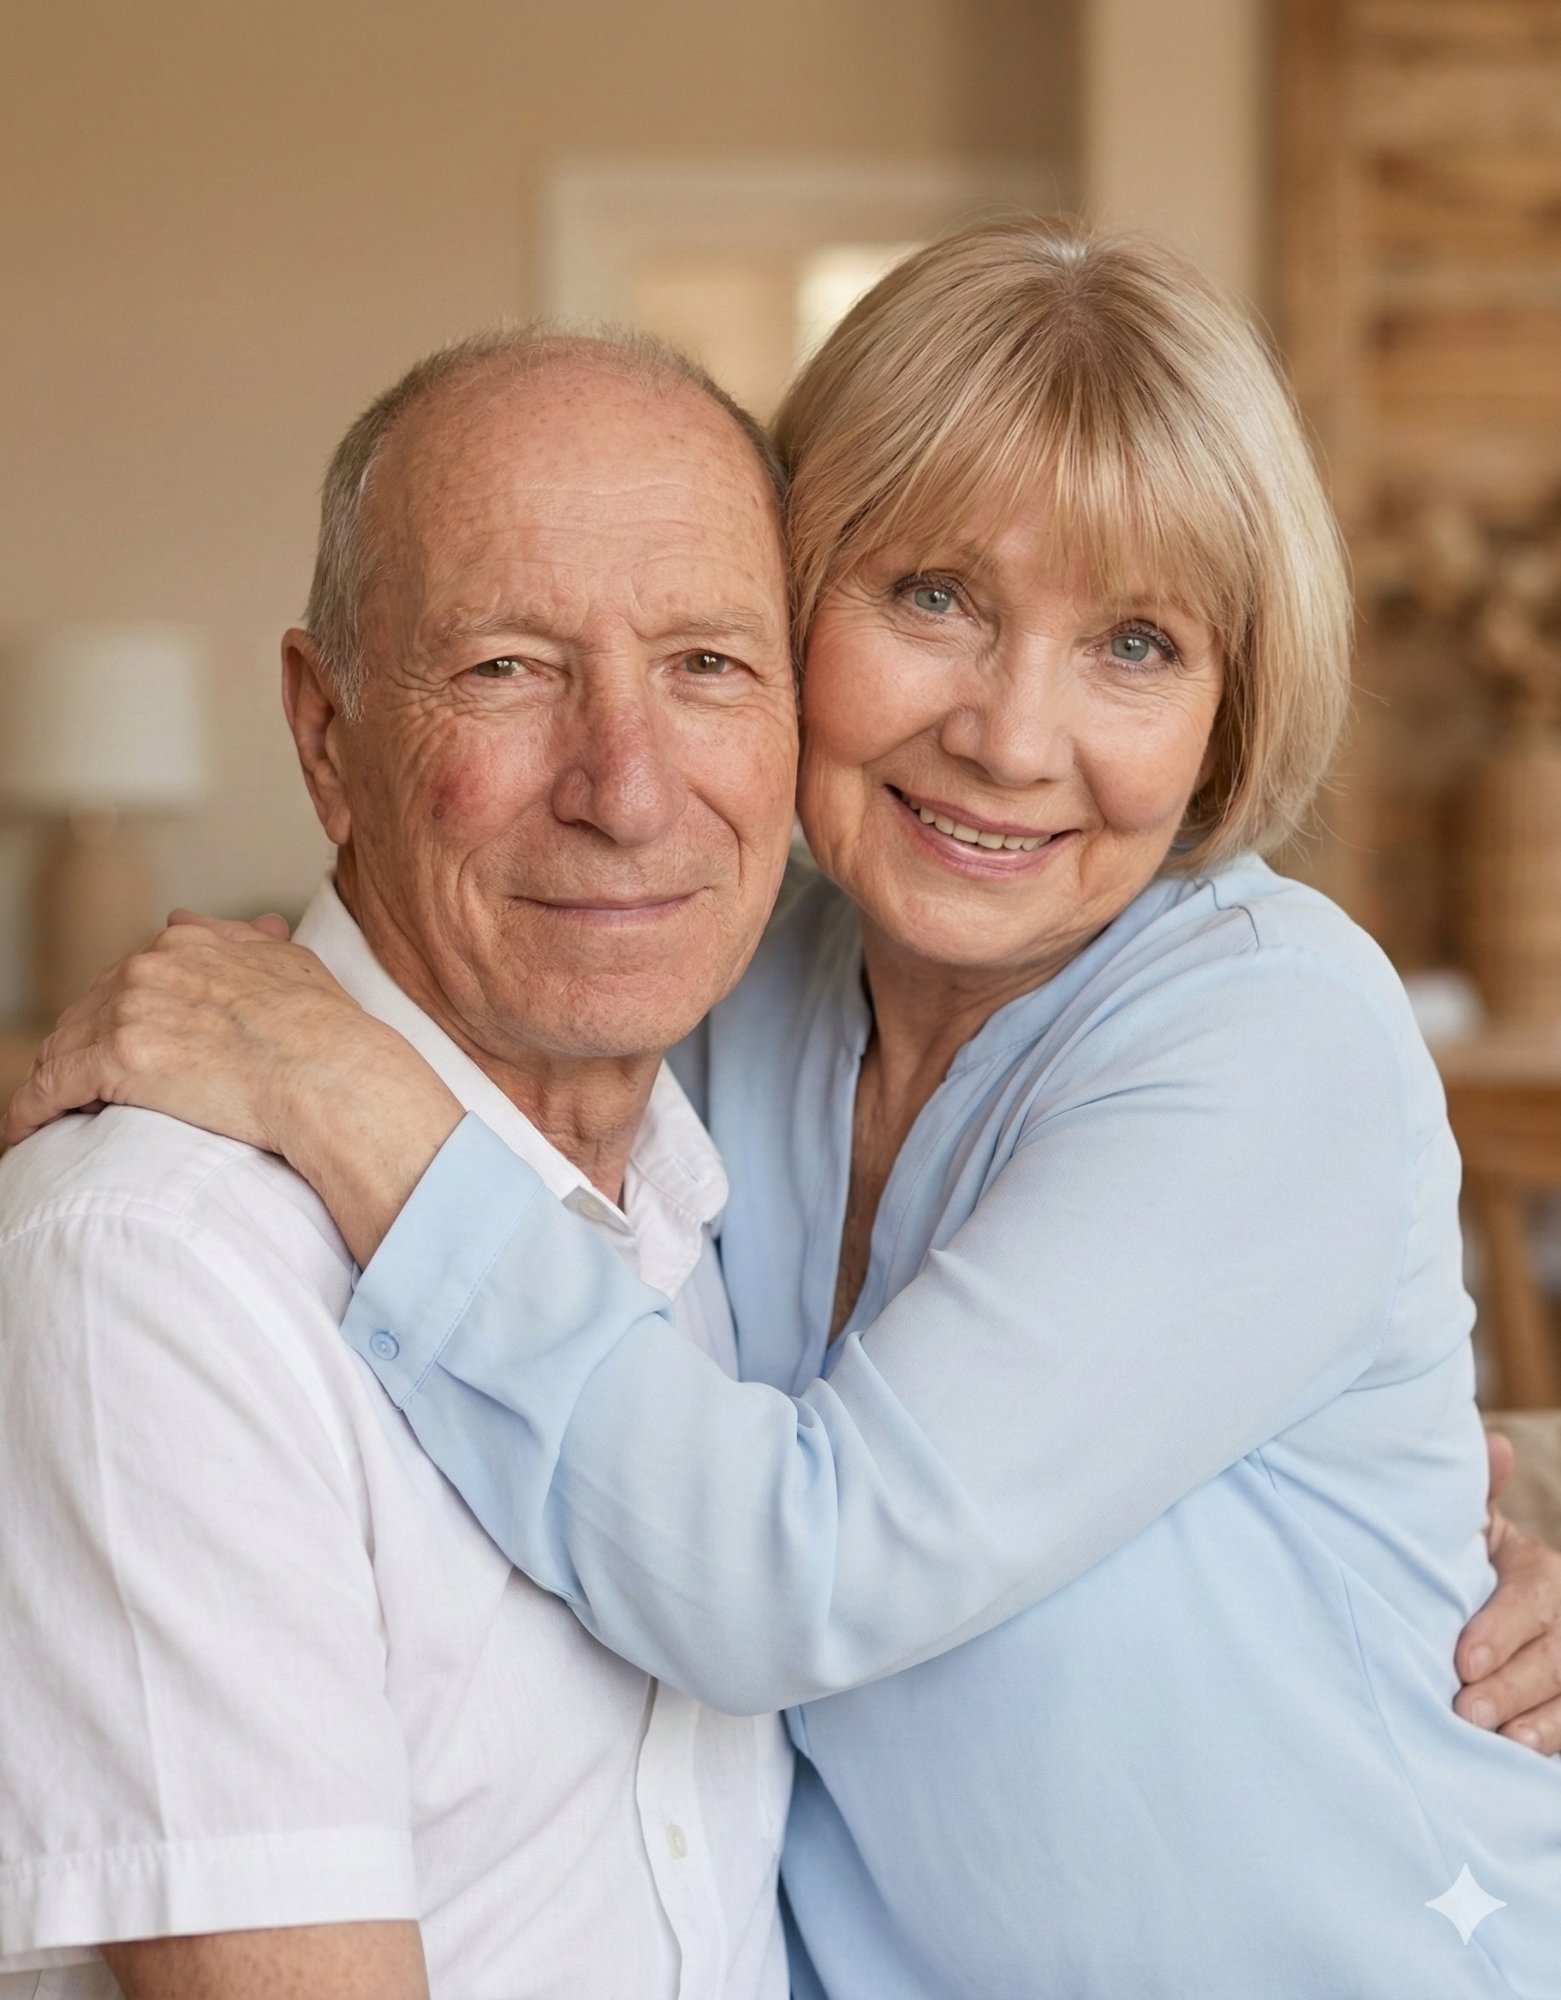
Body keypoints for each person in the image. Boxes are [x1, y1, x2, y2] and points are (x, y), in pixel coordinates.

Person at [11, 222, 1561, 1996]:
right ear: (798, 600)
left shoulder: (1273, 1031)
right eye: (934, 598)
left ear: (1227, 713)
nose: (1010, 737)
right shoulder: (723, 991)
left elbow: (786, 1573)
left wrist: (338, 1086)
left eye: (1135, 644)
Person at [0, 330, 801, 2000]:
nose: (626, 789)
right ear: (324, 732)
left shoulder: (733, 1188)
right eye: (508, 667)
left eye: (709, 664)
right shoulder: (160, 1269)